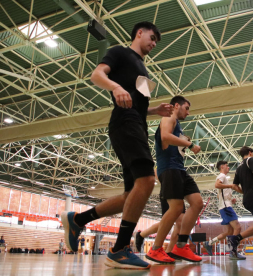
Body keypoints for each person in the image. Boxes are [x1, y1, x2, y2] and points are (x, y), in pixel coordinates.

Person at [61, 21, 175, 270]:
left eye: (157, 41)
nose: (154, 43)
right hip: (125, 123)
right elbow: (96, 74)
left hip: (137, 124)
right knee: (146, 180)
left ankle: (79, 219)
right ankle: (120, 250)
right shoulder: (121, 52)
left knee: (130, 194)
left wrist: (156, 109)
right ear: (139, 33)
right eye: (152, 37)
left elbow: (140, 107)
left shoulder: (144, 72)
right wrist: (115, 87)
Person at [146, 96, 203, 264]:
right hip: (169, 169)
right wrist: (190, 145)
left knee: (197, 202)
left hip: (179, 169)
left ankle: (181, 245)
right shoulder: (168, 117)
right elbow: (164, 136)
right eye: (186, 108)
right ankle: (155, 249)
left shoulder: (178, 124)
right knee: (177, 208)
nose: (188, 112)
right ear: (176, 105)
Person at [204, 160, 244, 260]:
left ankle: (209, 243)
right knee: (237, 227)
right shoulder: (222, 176)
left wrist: (230, 199)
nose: (228, 167)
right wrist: (231, 186)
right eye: (227, 166)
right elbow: (217, 185)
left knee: (229, 232)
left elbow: (218, 196)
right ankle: (233, 252)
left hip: (224, 206)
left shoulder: (223, 177)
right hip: (226, 207)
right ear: (222, 167)